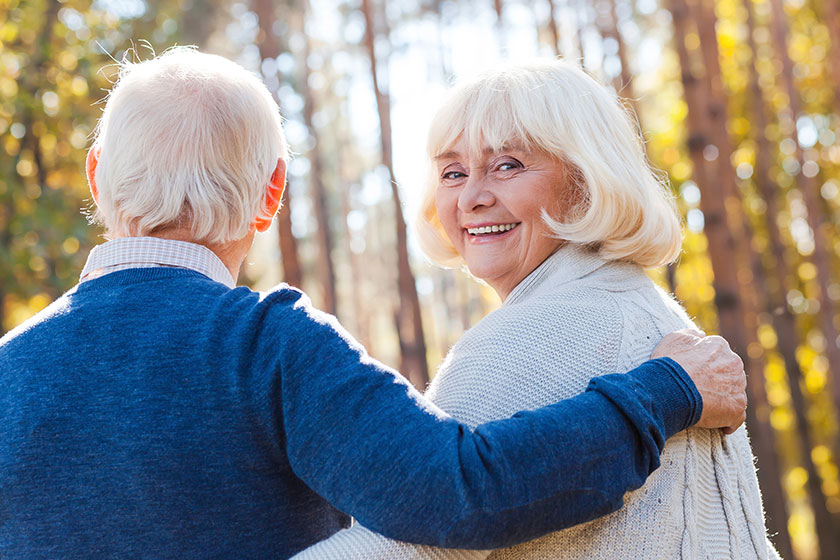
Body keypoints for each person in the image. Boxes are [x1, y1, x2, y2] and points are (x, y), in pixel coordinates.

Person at [0, 49, 746, 560]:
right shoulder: (270, 344)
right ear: (271, 197)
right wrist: (665, 392)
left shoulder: (8, 370)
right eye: (453, 171)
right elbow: (458, 494)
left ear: (97, 177)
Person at [294, 60, 779, 559]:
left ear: (587, 180)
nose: (472, 198)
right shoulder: (642, 309)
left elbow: (419, 543)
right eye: (453, 172)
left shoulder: (552, 327)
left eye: (508, 165)